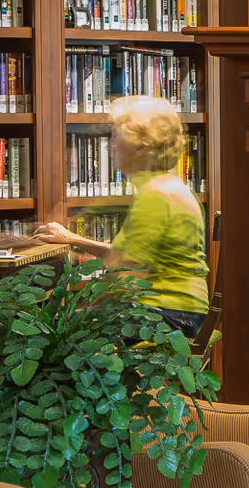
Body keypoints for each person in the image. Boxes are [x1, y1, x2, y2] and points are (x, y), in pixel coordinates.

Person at [35, 96, 209, 338]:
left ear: (139, 143)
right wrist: (71, 238)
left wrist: (83, 308)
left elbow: (127, 274)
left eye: (115, 136)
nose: (110, 145)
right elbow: (128, 258)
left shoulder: (156, 197)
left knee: (46, 327)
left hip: (166, 313)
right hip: (181, 310)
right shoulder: (168, 187)